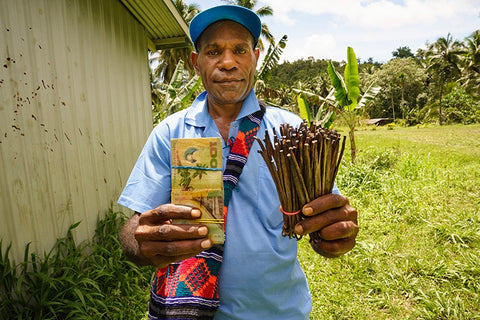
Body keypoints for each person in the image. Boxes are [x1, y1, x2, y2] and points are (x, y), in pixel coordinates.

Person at [118, 5, 358, 320]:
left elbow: (323, 221)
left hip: (278, 312)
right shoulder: (170, 133)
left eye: (240, 50)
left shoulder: (292, 134)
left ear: (255, 58)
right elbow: (135, 226)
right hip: (189, 311)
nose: (228, 62)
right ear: (196, 62)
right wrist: (139, 243)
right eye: (214, 51)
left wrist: (334, 235)